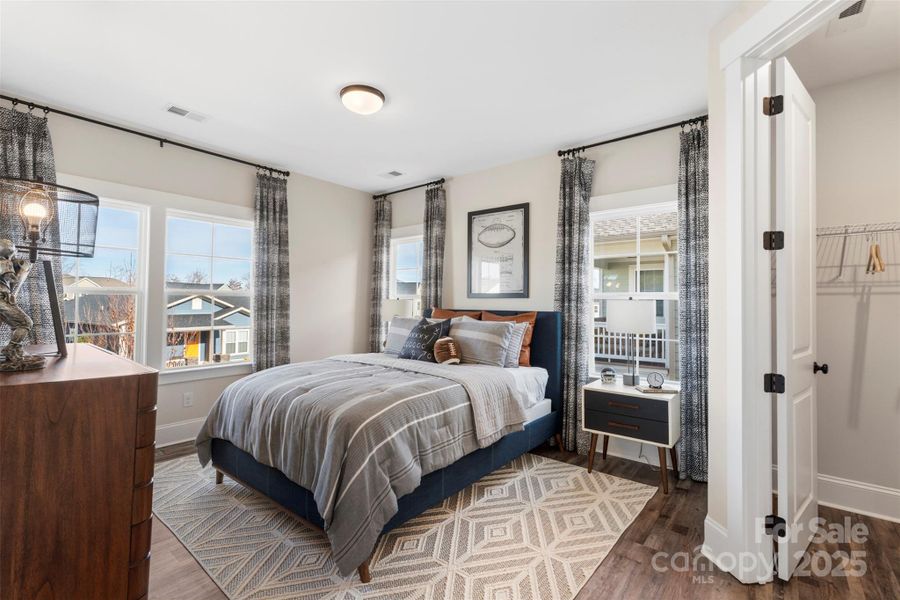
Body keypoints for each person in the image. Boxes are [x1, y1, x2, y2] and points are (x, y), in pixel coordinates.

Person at [0, 238, 45, 370]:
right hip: (2, 298)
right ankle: (11, 349)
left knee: (16, 324)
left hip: (4, 298)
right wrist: (22, 269)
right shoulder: (4, 262)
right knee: (26, 323)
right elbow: (12, 279)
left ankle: (16, 351)